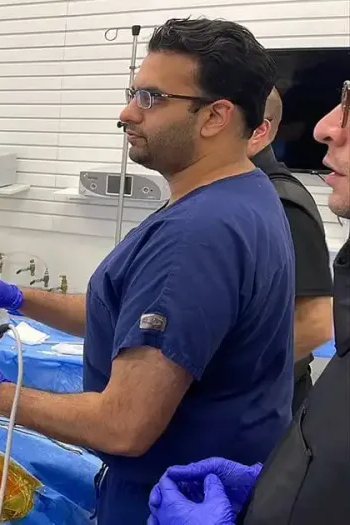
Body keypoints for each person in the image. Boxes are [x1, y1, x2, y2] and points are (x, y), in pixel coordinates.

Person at [0, 18, 295, 524]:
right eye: (133, 93)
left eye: (151, 98)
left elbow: (123, 425)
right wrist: (18, 298)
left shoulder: (196, 234)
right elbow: (124, 318)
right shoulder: (245, 194)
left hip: (166, 500)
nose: (126, 113)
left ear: (215, 116)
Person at [148, 80, 350, 525]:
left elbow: (316, 322)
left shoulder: (275, 202)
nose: (325, 128)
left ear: (253, 129)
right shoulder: (207, 202)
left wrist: (223, 378)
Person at [248, 87, 334, 414]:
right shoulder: (236, 194)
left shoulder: (280, 201)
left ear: (260, 128)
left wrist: (235, 381)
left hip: (267, 412)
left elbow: (314, 323)